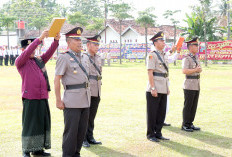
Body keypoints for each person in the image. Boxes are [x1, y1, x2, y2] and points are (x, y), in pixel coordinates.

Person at [15, 30, 60, 157]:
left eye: (35, 49)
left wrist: (56, 41)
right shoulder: (21, 61)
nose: (33, 51)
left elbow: (49, 53)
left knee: (41, 123)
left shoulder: (38, 60)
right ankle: (26, 150)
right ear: (23, 49)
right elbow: (29, 50)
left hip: (42, 96)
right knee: (30, 124)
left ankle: (38, 149)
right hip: (30, 97)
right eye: (29, 49)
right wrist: (39, 39)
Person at [54, 27, 91, 157]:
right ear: (68, 42)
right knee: (71, 132)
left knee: (81, 131)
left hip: (85, 99)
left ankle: (76, 153)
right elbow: (57, 79)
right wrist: (58, 100)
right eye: (76, 39)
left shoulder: (85, 57)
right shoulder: (64, 58)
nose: (80, 42)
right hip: (72, 101)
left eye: (80, 39)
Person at [146, 31, 170, 142]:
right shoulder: (152, 55)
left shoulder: (164, 54)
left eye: (163, 40)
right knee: (152, 112)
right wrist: (152, 87)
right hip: (155, 87)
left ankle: (158, 132)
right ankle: (151, 134)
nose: (163, 42)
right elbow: (150, 72)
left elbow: (165, 72)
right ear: (155, 42)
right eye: (161, 40)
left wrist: (167, 87)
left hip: (163, 86)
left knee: (161, 111)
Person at [82, 35, 102, 148]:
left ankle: (90, 136)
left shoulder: (98, 57)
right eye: (95, 44)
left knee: (92, 116)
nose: (97, 46)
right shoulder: (83, 57)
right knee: (85, 116)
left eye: (98, 44)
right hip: (87, 90)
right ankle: (83, 138)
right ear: (88, 45)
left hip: (97, 89)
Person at [181, 37, 202, 132]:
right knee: (188, 105)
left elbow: (197, 69)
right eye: (195, 45)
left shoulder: (196, 57)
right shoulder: (187, 58)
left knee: (194, 105)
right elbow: (184, 71)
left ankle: (190, 123)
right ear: (190, 47)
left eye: (197, 45)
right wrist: (195, 70)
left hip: (196, 84)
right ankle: (185, 124)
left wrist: (199, 70)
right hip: (189, 84)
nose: (197, 47)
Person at [163, 46, 181, 126]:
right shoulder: (155, 55)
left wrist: (177, 52)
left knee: (165, 104)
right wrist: (171, 50)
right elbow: (166, 56)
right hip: (158, 83)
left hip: (165, 83)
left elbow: (171, 58)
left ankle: (161, 120)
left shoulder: (164, 57)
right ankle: (158, 121)